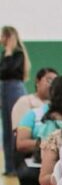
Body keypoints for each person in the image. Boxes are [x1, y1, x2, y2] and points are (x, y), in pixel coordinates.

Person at [11, 69, 62, 185]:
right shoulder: (34, 114)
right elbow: (21, 143)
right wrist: (45, 143)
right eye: (49, 81)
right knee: (29, 179)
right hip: (36, 162)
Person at [1, 26, 29, 174]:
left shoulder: (17, 54)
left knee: (15, 129)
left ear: (9, 37)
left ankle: (17, 166)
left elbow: (8, 71)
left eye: (2, 36)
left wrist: (9, 53)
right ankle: (9, 167)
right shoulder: (5, 54)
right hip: (4, 88)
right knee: (6, 129)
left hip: (14, 88)